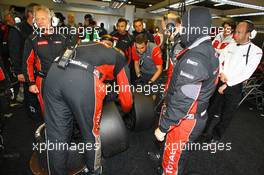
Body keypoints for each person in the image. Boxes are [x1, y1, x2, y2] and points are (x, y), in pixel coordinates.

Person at [43, 41, 133, 175]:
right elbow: (127, 100)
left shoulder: (94, 44)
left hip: (54, 73)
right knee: (91, 132)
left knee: (56, 134)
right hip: (81, 78)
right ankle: (95, 170)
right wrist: (125, 112)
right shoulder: (120, 59)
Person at [154, 7, 219, 175]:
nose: (181, 29)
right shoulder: (208, 49)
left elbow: (184, 100)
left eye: (183, 25)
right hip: (193, 116)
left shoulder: (195, 59)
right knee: (180, 154)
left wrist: (163, 127)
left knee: (172, 160)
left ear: (194, 26)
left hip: (185, 120)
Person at [203, 20, 263, 142]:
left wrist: (228, 84)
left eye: (239, 32)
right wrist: (222, 72)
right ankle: (203, 131)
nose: (235, 35)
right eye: (235, 31)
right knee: (211, 108)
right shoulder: (231, 45)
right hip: (221, 79)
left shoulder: (256, 51)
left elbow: (246, 73)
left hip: (235, 86)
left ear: (249, 34)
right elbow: (220, 58)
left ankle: (216, 136)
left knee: (226, 114)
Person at [23, 5, 72, 113]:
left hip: (63, 79)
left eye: (43, 18)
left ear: (51, 19)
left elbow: (70, 55)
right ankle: (49, 129)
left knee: (66, 108)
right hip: (43, 80)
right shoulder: (32, 39)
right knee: (47, 110)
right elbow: (27, 63)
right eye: (37, 19)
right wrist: (31, 83)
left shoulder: (63, 36)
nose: (40, 21)